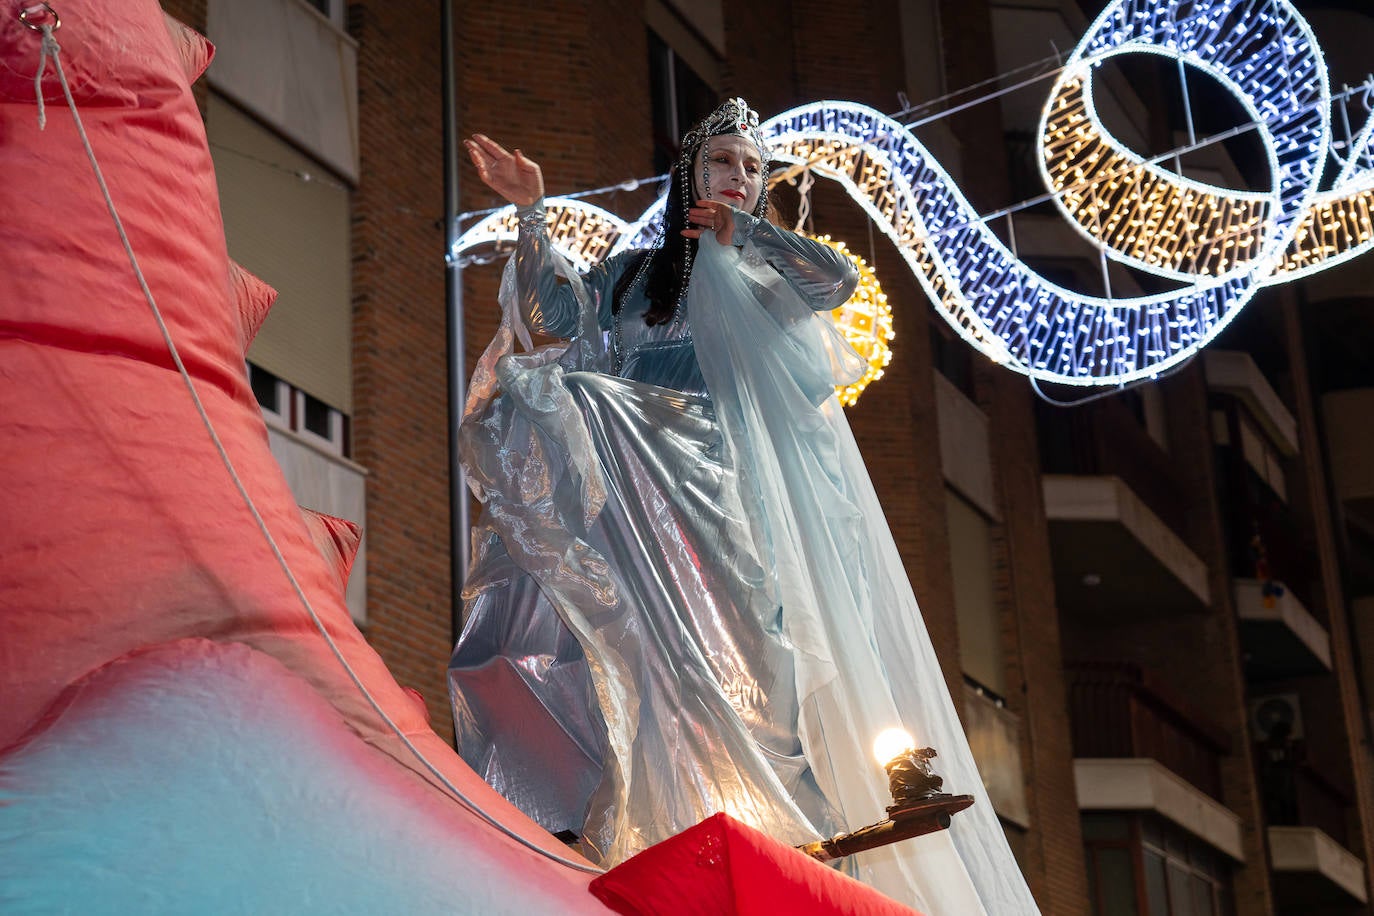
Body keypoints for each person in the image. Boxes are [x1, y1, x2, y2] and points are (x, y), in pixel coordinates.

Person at [449, 98, 1038, 913]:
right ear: (689, 170)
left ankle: (779, 814)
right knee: (563, 404)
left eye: (754, 169)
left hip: (721, 494)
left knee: (744, 666)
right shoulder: (630, 277)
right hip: (634, 490)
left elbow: (838, 280)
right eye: (723, 161)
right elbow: (554, 319)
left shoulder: (767, 271)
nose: (739, 177)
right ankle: (633, 799)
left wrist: (747, 237)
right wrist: (532, 212)